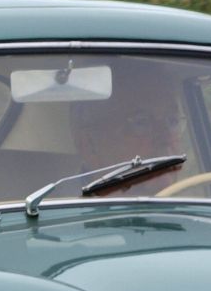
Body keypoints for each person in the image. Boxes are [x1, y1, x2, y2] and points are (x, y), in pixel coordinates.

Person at [69, 61, 190, 194]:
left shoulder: (198, 206)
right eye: (141, 122)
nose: (166, 139)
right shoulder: (60, 209)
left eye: (172, 121)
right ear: (89, 144)